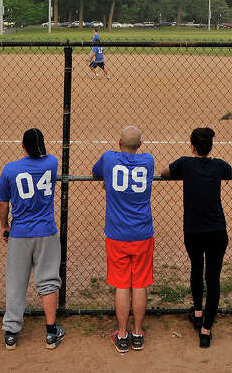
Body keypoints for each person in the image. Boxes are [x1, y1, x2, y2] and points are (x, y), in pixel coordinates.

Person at [161, 127, 232, 348]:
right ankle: (206, 330)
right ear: (210, 147)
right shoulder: (219, 165)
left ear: (192, 146)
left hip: (193, 231)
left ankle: (197, 312)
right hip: (216, 231)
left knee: (196, 268)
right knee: (212, 278)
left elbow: (165, 172)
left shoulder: (185, 163)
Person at [0, 129, 65, 351]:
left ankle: (11, 333)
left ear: (22, 147)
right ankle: (51, 332)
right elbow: (47, 158)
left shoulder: (10, 170)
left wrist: (4, 225)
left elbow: (3, 204)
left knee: (16, 282)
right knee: (48, 281)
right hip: (46, 232)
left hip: (20, 234)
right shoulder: (52, 163)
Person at [92, 126, 155, 354]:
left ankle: (121, 335)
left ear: (119, 143)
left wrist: (108, 180)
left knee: (121, 284)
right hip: (142, 234)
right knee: (139, 283)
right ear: (140, 145)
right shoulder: (148, 161)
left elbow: (95, 171)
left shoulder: (109, 158)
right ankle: (137, 334)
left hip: (117, 234)